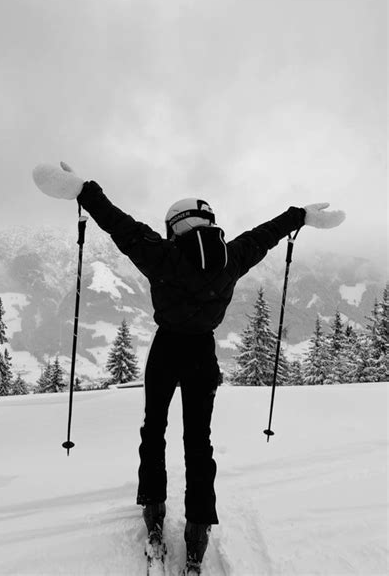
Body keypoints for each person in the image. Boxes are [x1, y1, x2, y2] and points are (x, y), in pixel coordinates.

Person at [33, 162, 345, 573]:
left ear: (175, 226)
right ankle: (198, 530)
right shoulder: (232, 257)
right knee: (199, 443)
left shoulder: (160, 254)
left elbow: (119, 225)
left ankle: (155, 509)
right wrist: (299, 216)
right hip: (203, 354)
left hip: (166, 351)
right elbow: (265, 236)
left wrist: (84, 191)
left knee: (154, 431)